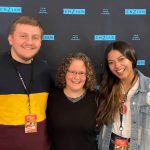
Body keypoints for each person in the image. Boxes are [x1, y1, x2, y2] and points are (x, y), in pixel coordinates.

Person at [0, 16, 52, 150]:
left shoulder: (45, 70)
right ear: (10, 39)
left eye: (35, 37)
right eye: (23, 36)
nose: (29, 42)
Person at [96, 41, 150, 150]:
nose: (117, 65)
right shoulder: (107, 87)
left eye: (121, 59)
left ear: (131, 58)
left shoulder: (148, 88)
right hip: (109, 144)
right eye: (111, 62)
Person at [46, 52, 98, 150]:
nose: (77, 77)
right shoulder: (51, 97)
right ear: (65, 72)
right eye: (72, 72)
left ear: (87, 75)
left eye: (81, 73)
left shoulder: (97, 98)